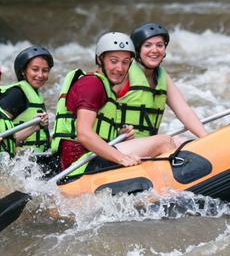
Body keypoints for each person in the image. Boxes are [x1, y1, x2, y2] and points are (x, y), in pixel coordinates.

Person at [51, 32, 176, 176]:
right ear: (100, 59)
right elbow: (84, 134)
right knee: (164, 142)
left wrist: (118, 135)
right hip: (79, 166)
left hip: (89, 159)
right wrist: (121, 158)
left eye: (125, 62)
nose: (120, 68)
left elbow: (95, 130)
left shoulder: (105, 87)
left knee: (175, 142)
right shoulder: (92, 84)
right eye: (114, 61)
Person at [118, 22, 208, 139]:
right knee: (165, 140)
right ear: (137, 50)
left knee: (178, 142)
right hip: (118, 146)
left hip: (147, 146)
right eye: (148, 45)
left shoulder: (162, 76)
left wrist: (206, 138)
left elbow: (184, 111)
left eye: (159, 45)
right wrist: (118, 132)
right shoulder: (123, 73)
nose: (154, 50)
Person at [0, 46, 53, 153]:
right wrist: (33, 128)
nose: (40, 75)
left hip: (37, 160)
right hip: (19, 163)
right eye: (35, 69)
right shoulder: (16, 94)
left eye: (45, 70)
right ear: (23, 71)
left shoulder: (36, 96)